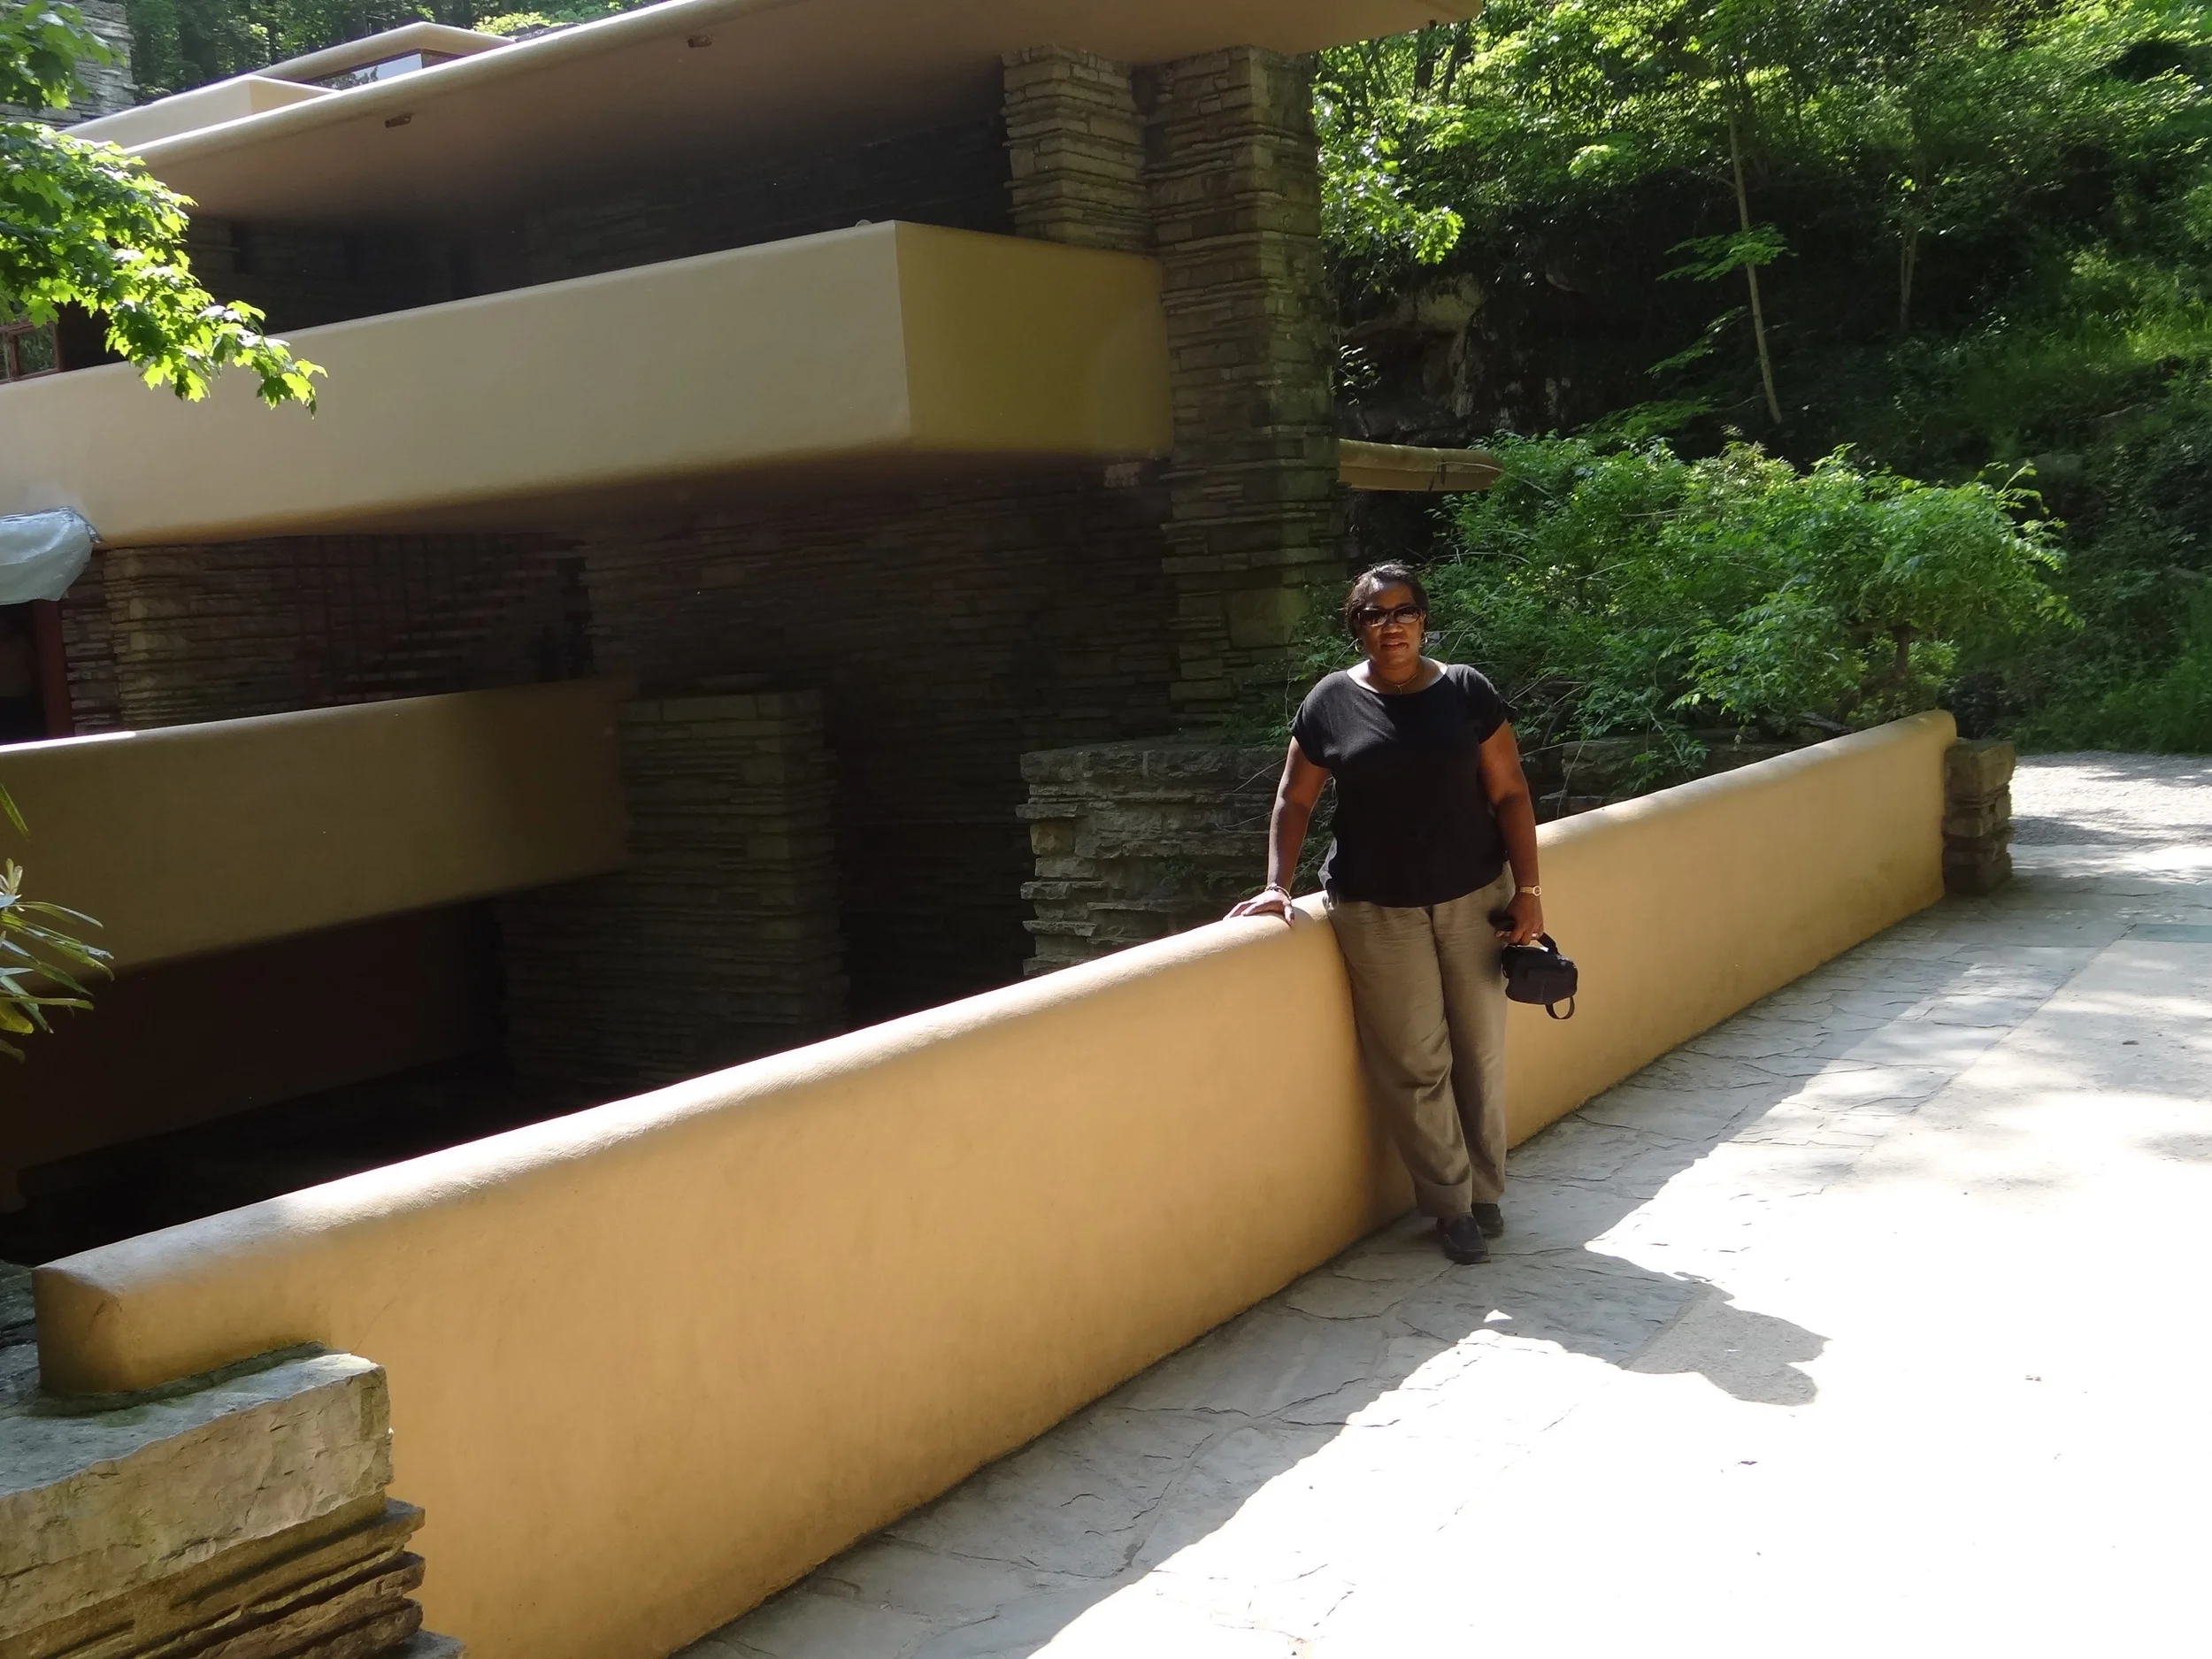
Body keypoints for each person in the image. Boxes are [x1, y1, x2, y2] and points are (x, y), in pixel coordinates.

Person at [1227, 564, 1545, 1265]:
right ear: (1358, 627)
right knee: (1414, 1062)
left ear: (1424, 620)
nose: (1390, 625)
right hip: (1375, 908)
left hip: (1475, 898)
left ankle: (1486, 1190)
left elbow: (1511, 792)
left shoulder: (1466, 690)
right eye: (1374, 615)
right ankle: (1451, 1204)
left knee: (1480, 1052)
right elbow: (1294, 798)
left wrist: (1528, 889)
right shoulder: (1331, 702)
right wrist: (1277, 885)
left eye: (1403, 612)